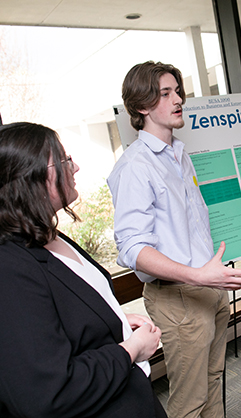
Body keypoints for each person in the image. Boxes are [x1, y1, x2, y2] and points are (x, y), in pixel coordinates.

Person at [107, 61, 241, 418]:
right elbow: (132, 248)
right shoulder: (135, 167)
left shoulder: (179, 154)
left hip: (210, 289)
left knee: (214, 380)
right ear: (142, 106)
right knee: (190, 401)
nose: (178, 100)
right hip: (178, 297)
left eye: (178, 91)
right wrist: (198, 276)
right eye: (165, 94)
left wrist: (209, 278)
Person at [0, 122, 166, 418]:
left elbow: (60, 314)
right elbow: (49, 394)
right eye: (63, 160)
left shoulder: (49, 235)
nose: (75, 167)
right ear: (29, 178)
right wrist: (131, 350)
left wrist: (110, 320)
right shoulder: (9, 268)